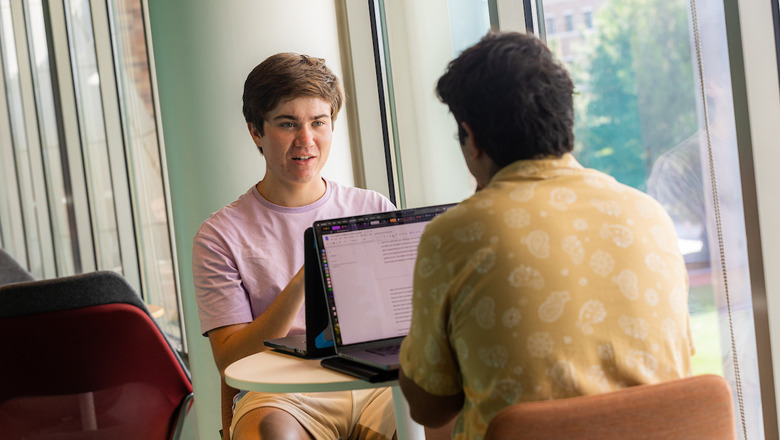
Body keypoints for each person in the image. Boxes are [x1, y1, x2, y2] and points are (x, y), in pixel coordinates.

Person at [399, 31, 694, 439]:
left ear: (472, 138)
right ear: (566, 119)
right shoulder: (648, 213)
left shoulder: (456, 233)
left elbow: (430, 407)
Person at [192, 53, 397, 440]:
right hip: (283, 395)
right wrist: (312, 269)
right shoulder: (220, 235)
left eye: (318, 122)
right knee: (271, 431)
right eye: (288, 124)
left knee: (446, 417)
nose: (306, 140)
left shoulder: (372, 209)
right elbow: (233, 360)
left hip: (376, 384)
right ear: (256, 132)